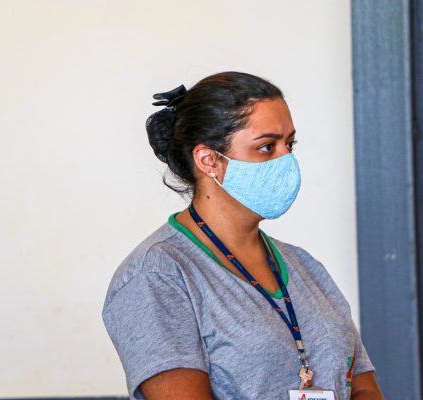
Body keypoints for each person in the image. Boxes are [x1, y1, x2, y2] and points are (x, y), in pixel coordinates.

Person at [102, 71, 383, 400]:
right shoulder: (157, 275)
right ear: (209, 160)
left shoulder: (304, 265)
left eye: (289, 144)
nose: (286, 160)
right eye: (266, 147)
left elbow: (363, 386)